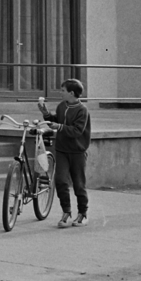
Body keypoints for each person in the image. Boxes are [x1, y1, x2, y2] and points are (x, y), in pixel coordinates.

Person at [39, 78, 92, 227]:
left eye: (63, 90)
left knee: (78, 184)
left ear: (72, 93)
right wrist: (46, 113)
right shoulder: (62, 106)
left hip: (77, 152)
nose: (60, 93)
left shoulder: (82, 110)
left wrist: (59, 126)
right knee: (60, 181)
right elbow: (56, 120)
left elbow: (77, 131)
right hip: (62, 150)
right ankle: (66, 212)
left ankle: (82, 213)